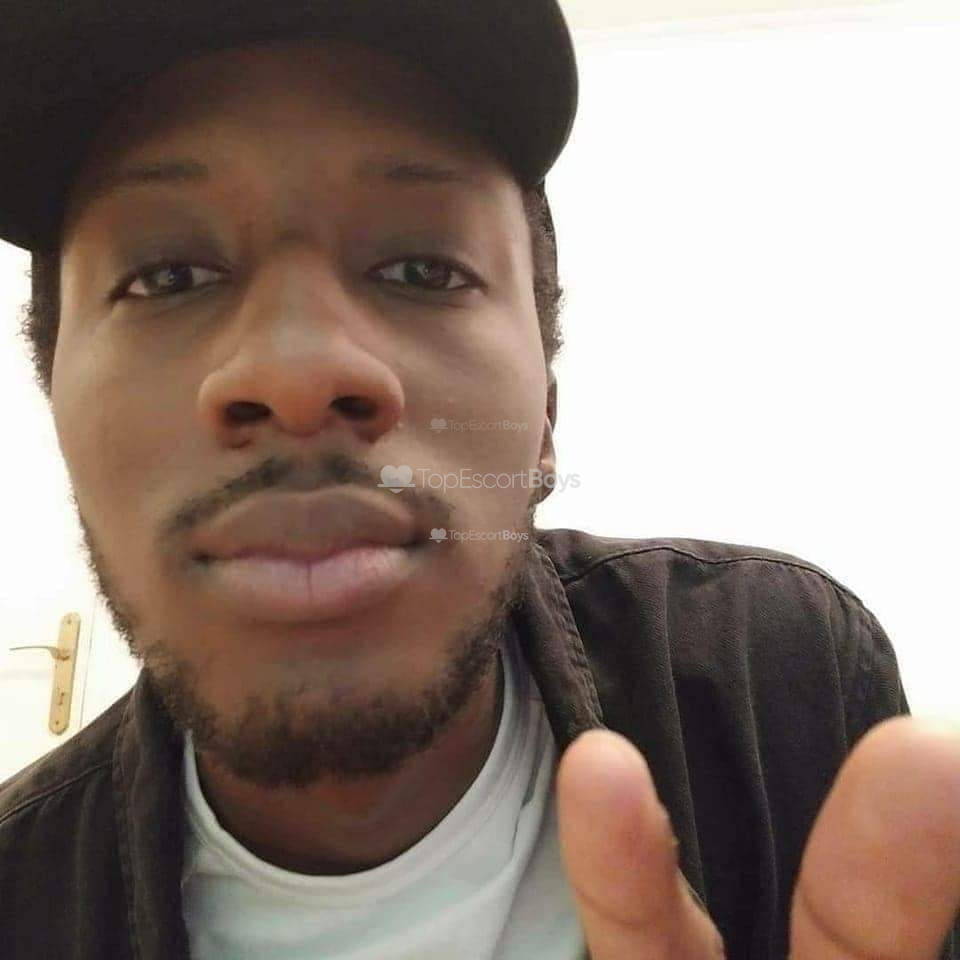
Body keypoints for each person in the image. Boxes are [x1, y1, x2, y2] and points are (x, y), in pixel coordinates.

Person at [0, 2, 958, 958]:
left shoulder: (777, 673)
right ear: (57, 405)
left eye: (422, 269)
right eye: (167, 277)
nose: (296, 375)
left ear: (544, 421)